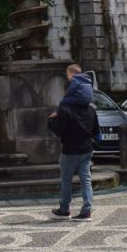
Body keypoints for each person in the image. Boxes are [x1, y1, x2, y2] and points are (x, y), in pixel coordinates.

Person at [50, 66, 97, 220]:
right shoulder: (91, 109)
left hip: (70, 150)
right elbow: (96, 131)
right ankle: (87, 210)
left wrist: (51, 120)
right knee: (86, 180)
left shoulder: (65, 108)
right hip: (87, 149)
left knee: (66, 180)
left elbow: (59, 131)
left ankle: (64, 209)